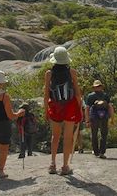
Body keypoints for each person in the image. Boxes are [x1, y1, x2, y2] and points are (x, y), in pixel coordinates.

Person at [44, 46, 82, 175]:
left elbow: (46, 94)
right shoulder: (72, 72)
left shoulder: (49, 73)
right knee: (68, 138)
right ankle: (65, 166)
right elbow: (77, 92)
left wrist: (45, 111)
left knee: (55, 136)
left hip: (55, 106)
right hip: (70, 106)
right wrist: (80, 109)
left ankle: (52, 164)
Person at [85, 80, 114, 159]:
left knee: (95, 134)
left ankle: (96, 151)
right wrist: (112, 118)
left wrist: (87, 120)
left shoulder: (90, 96)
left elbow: (87, 109)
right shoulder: (105, 95)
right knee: (103, 134)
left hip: (94, 117)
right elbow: (110, 107)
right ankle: (101, 152)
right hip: (103, 117)